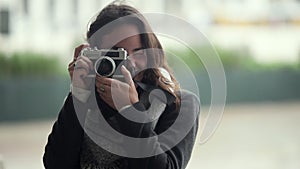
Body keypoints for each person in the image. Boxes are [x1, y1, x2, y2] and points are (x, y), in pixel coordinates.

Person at [43, 2, 200, 169]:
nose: (129, 62)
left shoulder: (179, 103)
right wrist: (79, 94)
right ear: (94, 54)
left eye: (139, 52)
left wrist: (130, 110)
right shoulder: (87, 100)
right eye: (116, 53)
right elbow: (55, 164)